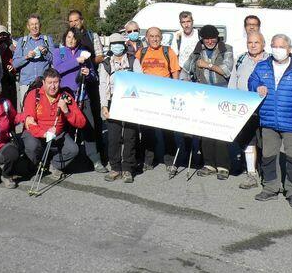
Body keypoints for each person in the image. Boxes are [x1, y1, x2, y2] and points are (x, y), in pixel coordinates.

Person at [248, 33, 292, 206]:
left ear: (289, 49)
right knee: (268, 156)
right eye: (275, 46)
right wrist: (257, 86)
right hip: (268, 120)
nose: (278, 50)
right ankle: (270, 188)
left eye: (282, 47)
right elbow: (251, 81)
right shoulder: (262, 66)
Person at [182, 25, 234, 179]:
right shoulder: (197, 52)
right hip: (203, 95)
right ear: (202, 39)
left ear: (217, 38)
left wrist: (207, 65)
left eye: (213, 38)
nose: (210, 41)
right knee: (206, 130)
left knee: (220, 131)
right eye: (206, 39)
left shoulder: (226, 49)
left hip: (222, 94)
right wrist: (185, 83)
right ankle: (209, 164)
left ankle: (223, 165)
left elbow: (226, 70)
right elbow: (185, 70)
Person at [51, 28, 106, 172]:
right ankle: (64, 161)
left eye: (74, 38)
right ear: (65, 38)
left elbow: (94, 76)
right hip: (66, 97)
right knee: (65, 129)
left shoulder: (84, 53)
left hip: (82, 96)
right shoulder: (59, 52)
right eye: (68, 37)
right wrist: (76, 61)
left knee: (89, 128)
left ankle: (95, 160)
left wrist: (88, 74)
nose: (71, 40)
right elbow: (58, 69)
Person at [21, 68, 87, 179]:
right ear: (43, 82)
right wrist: (45, 134)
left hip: (58, 134)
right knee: (32, 146)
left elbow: (82, 123)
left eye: (56, 82)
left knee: (73, 150)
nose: (53, 86)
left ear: (60, 82)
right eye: (49, 83)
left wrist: (66, 111)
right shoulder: (34, 95)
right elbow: (30, 124)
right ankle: (35, 165)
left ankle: (54, 164)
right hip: (36, 133)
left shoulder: (65, 96)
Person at [136, 27, 181, 171]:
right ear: (146, 38)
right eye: (151, 36)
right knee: (147, 131)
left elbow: (175, 72)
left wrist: (175, 92)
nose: (154, 39)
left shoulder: (168, 52)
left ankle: (170, 162)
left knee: (167, 131)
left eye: (157, 36)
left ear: (161, 38)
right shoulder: (141, 53)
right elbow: (134, 72)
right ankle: (148, 160)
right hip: (146, 97)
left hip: (165, 96)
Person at [99, 33, 142, 183]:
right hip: (113, 101)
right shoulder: (106, 63)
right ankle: (115, 167)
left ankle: (128, 168)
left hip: (130, 101)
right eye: (114, 44)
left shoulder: (133, 60)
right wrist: (104, 105)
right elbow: (103, 85)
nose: (117, 46)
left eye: (119, 43)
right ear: (110, 47)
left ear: (124, 45)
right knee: (113, 136)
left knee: (130, 135)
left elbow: (140, 80)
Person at [228, 31, 268, 189]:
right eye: (250, 42)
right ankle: (251, 174)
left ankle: (267, 174)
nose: (253, 45)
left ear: (263, 44)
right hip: (244, 108)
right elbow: (233, 82)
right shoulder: (241, 59)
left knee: (265, 142)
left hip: (265, 108)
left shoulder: (270, 60)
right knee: (248, 141)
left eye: (256, 42)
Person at [12, 15, 54, 111]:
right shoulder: (22, 41)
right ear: (28, 26)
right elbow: (15, 64)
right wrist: (26, 57)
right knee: (27, 113)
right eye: (32, 24)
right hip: (26, 84)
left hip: (44, 84)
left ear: (40, 25)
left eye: (36, 24)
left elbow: (55, 60)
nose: (34, 27)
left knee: (44, 112)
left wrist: (46, 53)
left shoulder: (47, 40)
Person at [0, 25, 17, 107]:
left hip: (10, 78)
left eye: (4, 34)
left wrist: (13, 67)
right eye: (0, 35)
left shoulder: (12, 46)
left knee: (12, 105)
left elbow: (17, 59)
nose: (3, 37)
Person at [172, 11, 197, 76]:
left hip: (197, 71)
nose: (186, 25)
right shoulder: (177, 35)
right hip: (182, 71)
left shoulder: (199, 34)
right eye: (183, 22)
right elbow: (174, 56)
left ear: (192, 22)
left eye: (188, 21)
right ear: (180, 23)